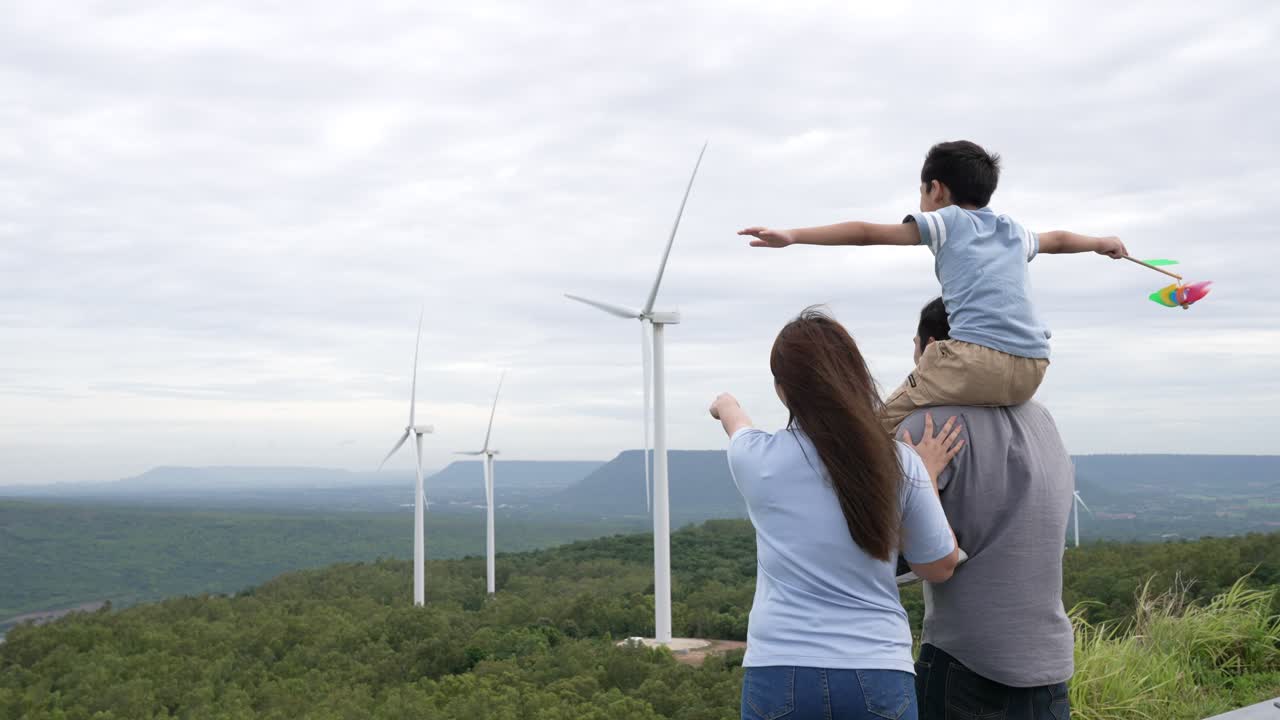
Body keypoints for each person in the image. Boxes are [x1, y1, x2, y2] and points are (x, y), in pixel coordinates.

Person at [739, 140, 1128, 432]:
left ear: (936, 190)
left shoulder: (948, 221)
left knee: (881, 426)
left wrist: (792, 235)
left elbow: (865, 233)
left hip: (974, 361)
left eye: (922, 192)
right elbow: (1059, 239)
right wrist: (1101, 242)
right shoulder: (1012, 231)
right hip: (1032, 368)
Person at [709, 307, 964, 720]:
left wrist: (725, 404)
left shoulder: (756, 459)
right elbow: (938, 565)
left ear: (782, 390)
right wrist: (927, 478)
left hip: (780, 670)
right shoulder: (900, 463)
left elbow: (737, 425)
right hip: (878, 671)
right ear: (854, 378)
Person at [897, 297, 1077, 720]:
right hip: (1048, 664)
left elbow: (900, 558)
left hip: (967, 661)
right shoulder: (1043, 420)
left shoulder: (924, 428)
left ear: (932, 348)